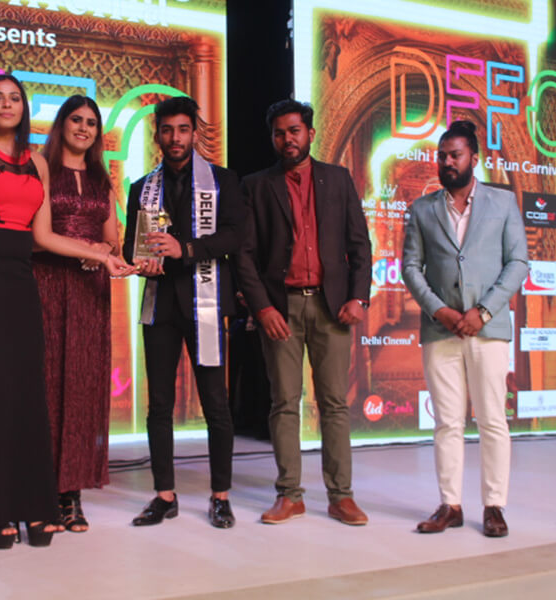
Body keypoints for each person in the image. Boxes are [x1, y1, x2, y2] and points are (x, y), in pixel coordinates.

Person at [0, 74, 132, 549]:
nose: (7, 105)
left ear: (24, 109)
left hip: (21, 276)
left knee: (28, 394)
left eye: (15, 98)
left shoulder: (37, 164)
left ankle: (35, 506)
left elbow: (44, 236)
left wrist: (102, 256)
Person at [234, 99, 372, 526]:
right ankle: (289, 495)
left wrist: (359, 297)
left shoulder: (338, 179)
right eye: (279, 133)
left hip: (333, 307)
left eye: (294, 131)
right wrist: (262, 307)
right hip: (282, 308)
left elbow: (359, 244)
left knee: (334, 404)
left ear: (310, 134)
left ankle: (341, 496)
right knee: (283, 403)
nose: (287, 139)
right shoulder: (257, 185)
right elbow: (244, 255)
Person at [122, 96, 246, 529]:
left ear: (194, 133)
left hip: (205, 303)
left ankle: (220, 496)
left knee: (216, 404)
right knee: (159, 404)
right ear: (157, 134)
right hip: (160, 305)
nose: (175, 138)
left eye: (183, 129)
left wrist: (185, 249)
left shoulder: (223, 181)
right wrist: (140, 259)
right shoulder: (142, 188)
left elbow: (235, 236)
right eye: (167, 130)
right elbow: (130, 246)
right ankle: (164, 495)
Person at [401, 120, 528, 537]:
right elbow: (410, 268)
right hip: (441, 331)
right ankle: (450, 505)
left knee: (492, 420)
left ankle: (494, 507)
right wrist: (439, 311)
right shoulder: (422, 209)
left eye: (455, 155)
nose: (447, 162)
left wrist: (484, 311)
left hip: (487, 330)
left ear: (474, 158)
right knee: (447, 422)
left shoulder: (502, 202)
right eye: (442, 156)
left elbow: (518, 263)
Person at [32, 95, 119, 533]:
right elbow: (37, 234)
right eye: (76, 120)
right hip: (47, 281)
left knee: (84, 387)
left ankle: (72, 493)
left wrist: (103, 250)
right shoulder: (42, 167)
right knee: (47, 384)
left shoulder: (102, 177)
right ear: (62, 124)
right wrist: (90, 251)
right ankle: (43, 489)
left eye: (91, 122)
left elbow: (113, 238)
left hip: (90, 289)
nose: (84, 128)